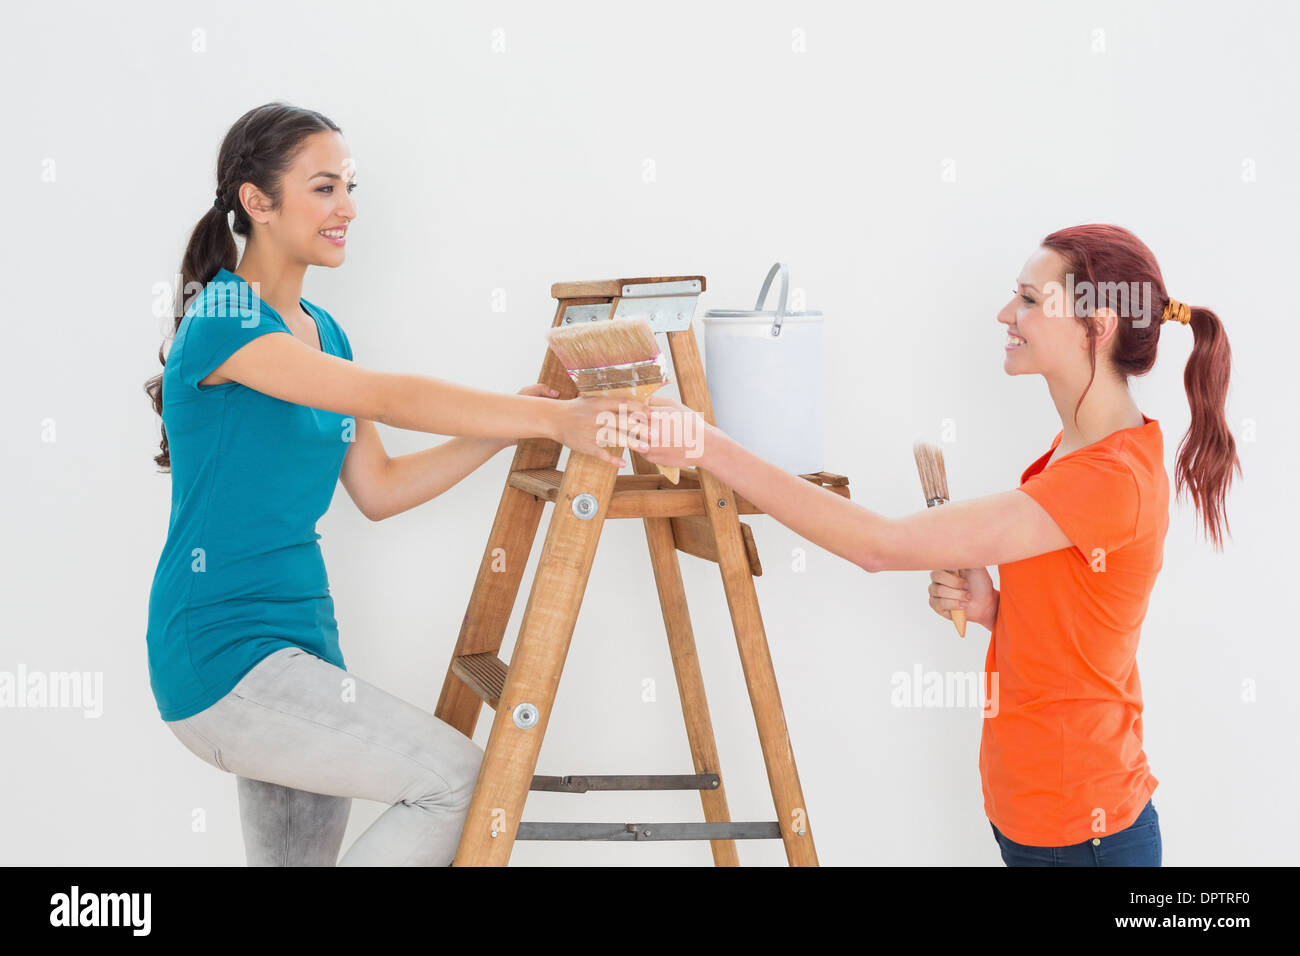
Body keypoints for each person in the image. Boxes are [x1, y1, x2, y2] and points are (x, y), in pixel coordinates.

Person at [634, 224, 1241, 867]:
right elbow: (1084, 635)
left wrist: (708, 446)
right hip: (1040, 819)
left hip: (1084, 832)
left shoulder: (1107, 478)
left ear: (1098, 325)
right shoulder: (1076, 452)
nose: (1007, 313)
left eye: (1032, 301)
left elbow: (879, 544)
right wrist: (997, 612)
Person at [143, 102, 648, 866]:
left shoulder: (325, 331)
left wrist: (506, 424)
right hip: (220, 657)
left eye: (349, 186)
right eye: (323, 188)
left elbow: (378, 488)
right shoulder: (222, 320)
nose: (347, 208)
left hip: (305, 651)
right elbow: (389, 396)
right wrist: (550, 421)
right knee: (458, 782)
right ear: (257, 201)